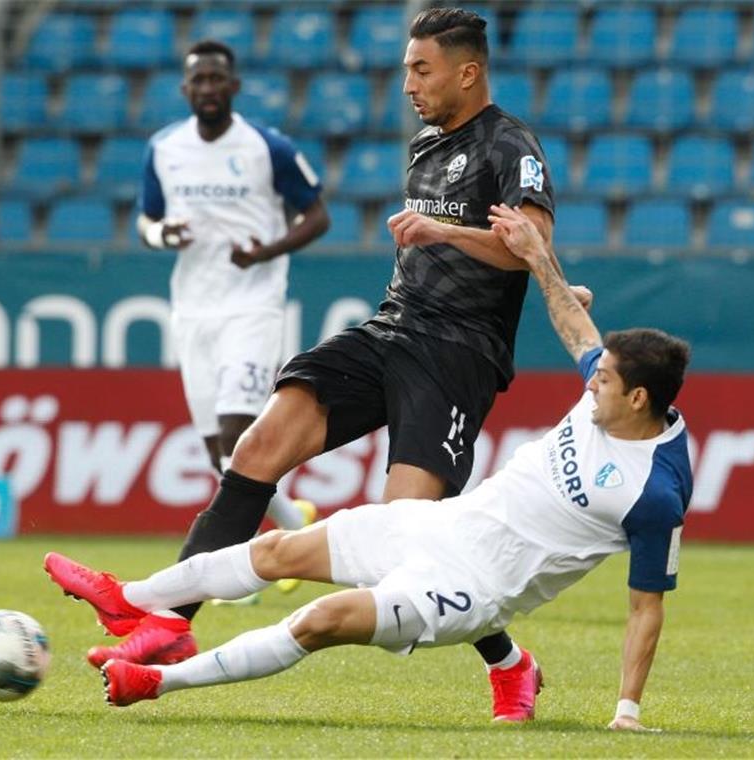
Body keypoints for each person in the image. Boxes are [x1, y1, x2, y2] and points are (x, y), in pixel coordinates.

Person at [53, 8, 591, 721]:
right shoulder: (426, 143)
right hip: (390, 329)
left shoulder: (510, 145)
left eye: (420, 69)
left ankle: (511, 664)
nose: (408, 84)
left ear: (468, 71)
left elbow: (534, 247)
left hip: (458, 355)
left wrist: (442, 230)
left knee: (408, 536)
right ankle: (172, 623)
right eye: (406, 69)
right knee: (257, 445)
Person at [45, 204, 692, 731]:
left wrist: (626, 713)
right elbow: (574, 322)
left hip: (475, 589)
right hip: (445, 526)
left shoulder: (654, 492)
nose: (590, 382)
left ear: (639, 399)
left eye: (603, 381)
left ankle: (156, 681)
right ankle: (127, 596)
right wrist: (536, 255)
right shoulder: (607, 389)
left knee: (322, 620)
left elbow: (646, 609)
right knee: (276, 550)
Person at [131, 40, 329, 616]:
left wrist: (267, 250)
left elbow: (318, 214)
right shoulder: (164, 148)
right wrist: (163, 235)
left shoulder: (268, 147)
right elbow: (145, 220)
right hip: (193, 309)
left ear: (234, 86)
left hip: (253, 304)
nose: (209, 88)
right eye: (199, 80)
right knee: (217, 450)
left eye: (218, 78)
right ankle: (293, 523)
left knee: (238, 431)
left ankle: (230, 564)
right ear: (186, 89)